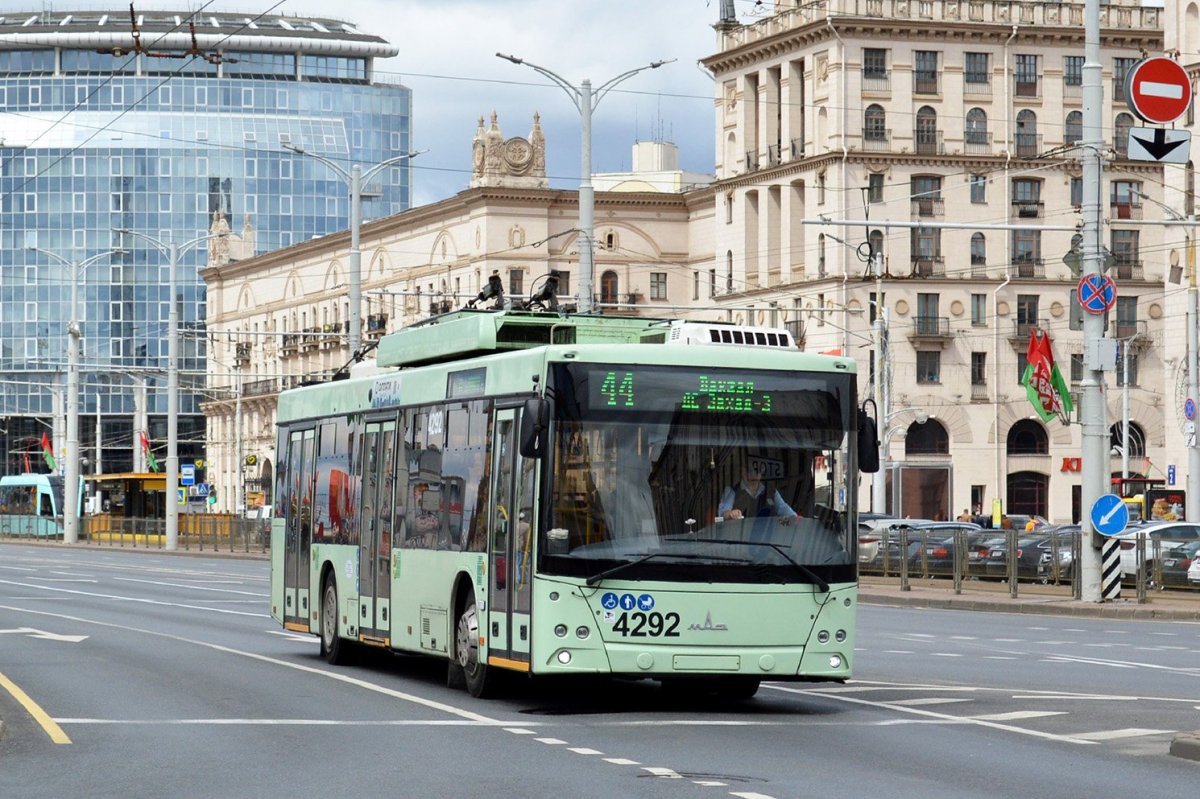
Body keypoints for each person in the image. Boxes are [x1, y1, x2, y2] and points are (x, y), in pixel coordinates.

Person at [717, 463, 798, 524]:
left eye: (757, 470)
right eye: (749, 470)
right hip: (739, 539)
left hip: (767, 539)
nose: (753, 474)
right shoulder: (732, 491)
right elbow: (722, 516)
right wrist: (730, 514)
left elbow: (784, 510)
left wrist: (795, 520)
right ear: (743, 471)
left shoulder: (771, 491)